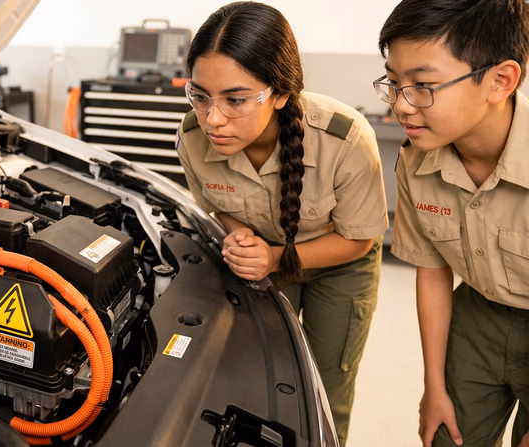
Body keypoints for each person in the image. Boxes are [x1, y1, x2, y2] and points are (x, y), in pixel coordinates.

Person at [175, 2, 388, 444]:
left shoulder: (345, 139)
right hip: (259, 261)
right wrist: (240, 236)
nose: (213, 118)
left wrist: (273, 257)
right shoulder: (192, 139)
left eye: (235, 100)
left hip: (339, 264)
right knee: (259, 372)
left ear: (279, 93)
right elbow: (216, 206)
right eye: (199, 95)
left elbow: (359, 239)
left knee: (326, 384)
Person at [376, 0, 529, 446]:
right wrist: (434, 388)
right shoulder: (416, 159)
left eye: (423, 85)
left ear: (500, 81)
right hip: (478, 313)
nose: (400, 105)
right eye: (392, 82)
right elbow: (432, 272)